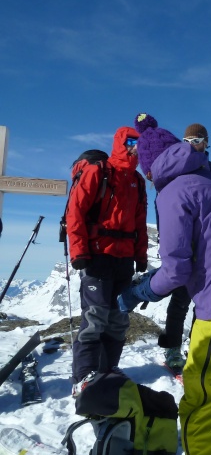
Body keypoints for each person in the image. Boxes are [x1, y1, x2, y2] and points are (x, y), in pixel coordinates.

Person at [119, 112, 211, 455]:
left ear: (151, 167)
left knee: (198, 399)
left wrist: (138, 292)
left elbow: (176, 270)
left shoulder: (172, 192)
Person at [67, 126, 148, 396]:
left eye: (140, 142)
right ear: (120, 142)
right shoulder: (99, 171)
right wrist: (78, 252)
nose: (135, 146)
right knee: (94, 318)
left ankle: (109, 368)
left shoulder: (137, 180)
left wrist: (141, 254)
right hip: (97, 256)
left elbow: (140, 222)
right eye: (131, 141)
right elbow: (75, 211)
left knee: (118, 317)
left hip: (124, 258)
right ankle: (84, 377)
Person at [160, 122, 211, 372]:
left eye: (197, 140)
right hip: (185, 246)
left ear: (206, 142)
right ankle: (171, 350)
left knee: (204, 304)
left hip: (209, 251)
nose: (192, 145)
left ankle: (196, 348)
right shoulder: (178, 172)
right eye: (187, 141)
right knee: (179, 302)